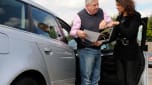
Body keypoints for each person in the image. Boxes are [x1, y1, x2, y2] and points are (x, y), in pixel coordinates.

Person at [70, 0, 118, 85]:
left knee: (96, 78)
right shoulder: (79, 16)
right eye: (94, 5)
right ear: (87, 6)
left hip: (98, 49)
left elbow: (110, 24)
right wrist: (78, 33)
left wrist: (107, 23)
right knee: (86, 79)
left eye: (98, 4)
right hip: (86, 50)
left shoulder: (101, 12)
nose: (97, 7)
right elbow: (72, 32)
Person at [102, 0, 142, 85]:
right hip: (119, 51)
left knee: (130, 80)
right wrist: (101, 41)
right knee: (120, 80)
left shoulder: (135, 16)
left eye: (118, 5)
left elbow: (129, 33)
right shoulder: (119, 17)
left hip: (130, 51)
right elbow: (113, 36)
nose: (117, 7)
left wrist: (118, 24)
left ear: (125, 5)